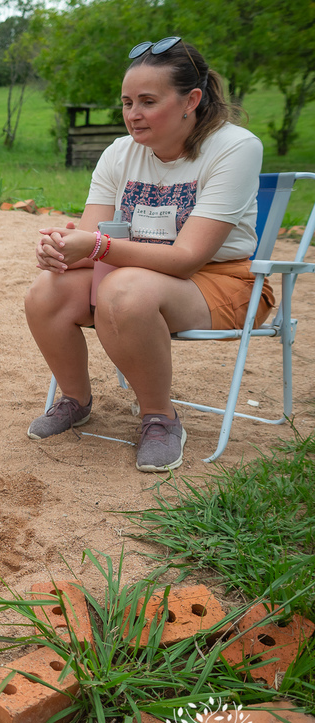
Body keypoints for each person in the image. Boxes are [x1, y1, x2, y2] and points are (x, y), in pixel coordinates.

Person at [26, 37, 271, 472]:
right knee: (48, 291)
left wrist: (97, 247)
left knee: (124, 290)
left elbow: (187, 258)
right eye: (126, 102)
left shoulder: (235, 147)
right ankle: (75, 400)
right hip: (132, 272)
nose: (132, 114)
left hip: (224, 282)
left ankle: (160, 417)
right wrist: (62, 252)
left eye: (147, 101)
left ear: (190, 100)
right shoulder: (119, 153)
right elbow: (92, 240)